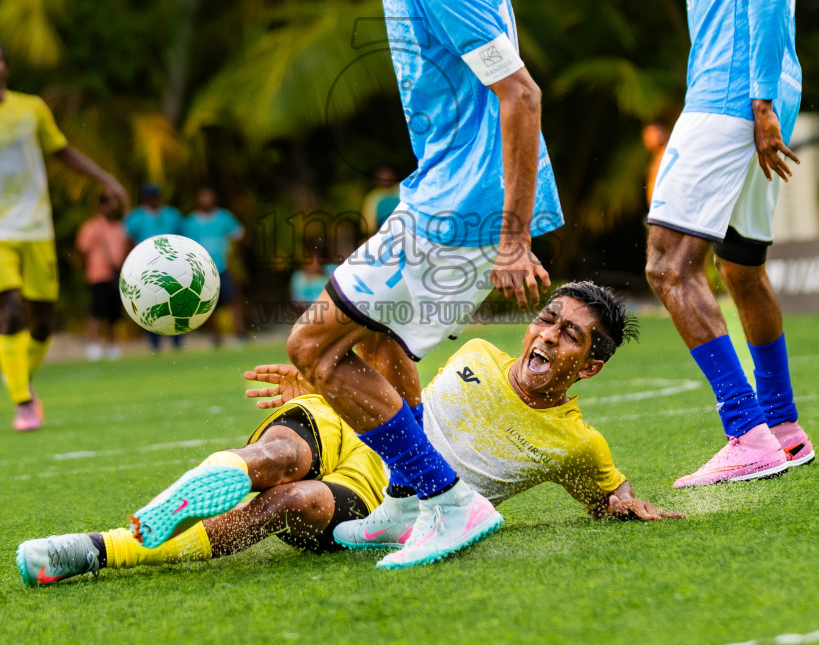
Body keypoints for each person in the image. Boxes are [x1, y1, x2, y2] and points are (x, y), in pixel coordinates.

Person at [281, 0, 563, 568]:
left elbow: (520, 93)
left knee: (315, 346)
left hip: (461, 203)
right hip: (441, 187)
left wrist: (512, 237)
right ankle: (407, 501)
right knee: (374, 338)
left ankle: (446, 502)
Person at [16, 282, 683, 587]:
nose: (545, 336)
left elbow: (608, 494)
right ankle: (117, 541)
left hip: (386, 494)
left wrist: (621, 502)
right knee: (278, 455)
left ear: (589, 367)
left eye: (569, 336)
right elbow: (398, 387)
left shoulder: (576, 444)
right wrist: (324, 379)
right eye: (546, 320)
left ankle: (102, 549)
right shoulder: (476, 350)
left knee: (288, 500)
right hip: (351, 420)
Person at [644, 0, 814, 487]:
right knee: (740, 268)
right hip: (756, 91)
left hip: (727, 95)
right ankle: (780, 424)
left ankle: (744, 434)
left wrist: (756, 100)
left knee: (666, 264)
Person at [0, 47, 130, 431]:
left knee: (42, 322)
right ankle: (23, 401)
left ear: (6, 66)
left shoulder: (31, 108)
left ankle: (19, 376)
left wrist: (105, 178)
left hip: (37, 228)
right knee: (9, 312)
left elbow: (61, 151)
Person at [124, 184, 183, 352]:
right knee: (151, 303)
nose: (153, 200)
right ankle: (155, 342)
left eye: (155, 196)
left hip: (172, 266)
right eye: (150, 197)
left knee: (175, 300)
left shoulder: (172, 214)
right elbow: (127, 239)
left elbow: (181, 236)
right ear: (145, 198)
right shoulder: (136, 217)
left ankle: (177, 340)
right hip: (147, 269)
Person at [183, 187, 245, 344]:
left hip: (222, 265)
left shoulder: (224, 217)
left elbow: (238, 234)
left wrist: (232, 253)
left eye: (209, 197)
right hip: (201, 269)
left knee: (233, 299)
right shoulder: (190, 222)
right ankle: (216, 337)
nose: (206, 201)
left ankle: (240, 334)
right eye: (203, 197)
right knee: (207, 303)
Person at [76, 194, 132, 359]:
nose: (112, 209)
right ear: (101, 206)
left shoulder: (120, 227)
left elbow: (126, 248)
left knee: (114, 313)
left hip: (117, 275)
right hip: (98, 274)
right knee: (96, 310)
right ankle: (92, 345)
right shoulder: (91, 227)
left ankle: (111, 345)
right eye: (109, 205)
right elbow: (82, 250)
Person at [361, 165, 401, 235]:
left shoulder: (402, 191)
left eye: (387, 174)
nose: (385, 177)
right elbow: (368, 225)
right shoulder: (374, 197)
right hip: (384, 234)